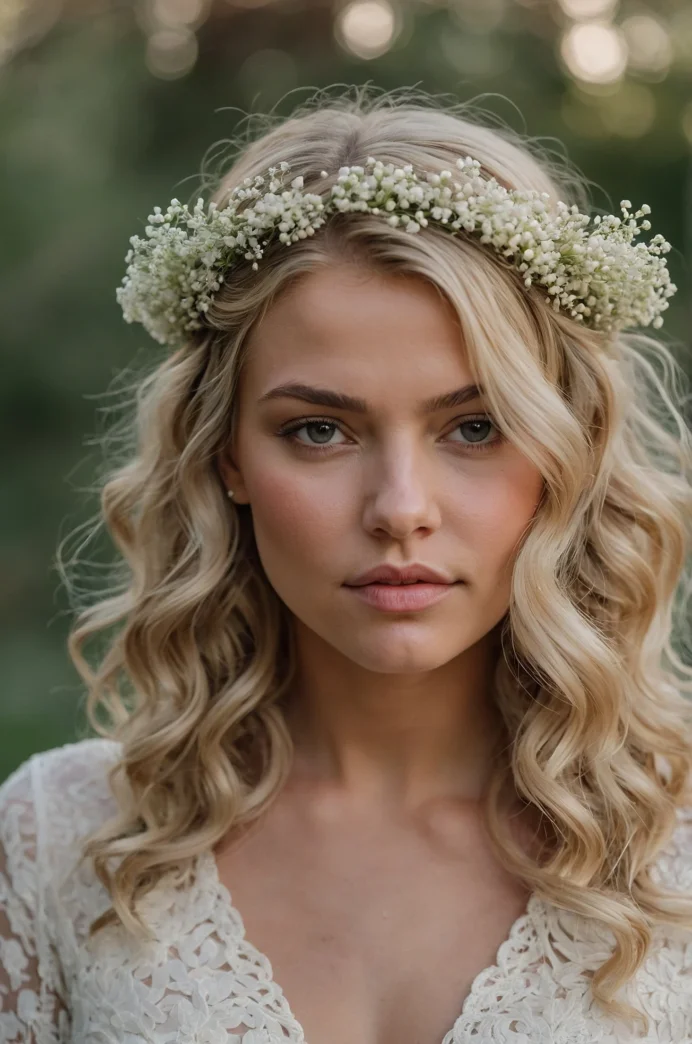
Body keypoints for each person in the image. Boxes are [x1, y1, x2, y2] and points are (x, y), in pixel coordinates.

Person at [1, 85, 692, 1044]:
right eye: (320, 430)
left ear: (565, 447)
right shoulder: (57, 842)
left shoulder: (680, 842)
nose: (401, 508)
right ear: (227, 455)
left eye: (475, 427)